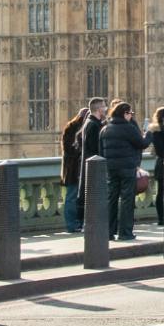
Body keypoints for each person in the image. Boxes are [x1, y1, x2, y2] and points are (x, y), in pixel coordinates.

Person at [99, 101, 148, 241]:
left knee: (111, 199)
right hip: (127, 168)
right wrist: (150, 134)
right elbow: (142, 144)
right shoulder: (128, 128)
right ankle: (125, 232)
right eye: (130, 113)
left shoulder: (105, 129)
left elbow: (100, 151)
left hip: (111, 169)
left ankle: (108, 232)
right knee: (127, 199)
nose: (131, 116)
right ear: (125, 113)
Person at [60, 105, 90, 235]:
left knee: (77, 198)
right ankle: (71, 225)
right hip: (73, 170)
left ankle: (77, 223)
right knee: (72, 197)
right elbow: (70, 150)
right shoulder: (72, 128)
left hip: (78, 169)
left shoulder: (72, 127)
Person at [78, 96, 109, 224]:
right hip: (94, 167)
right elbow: (95, 148)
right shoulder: (93, 125)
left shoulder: (90, 123)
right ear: (98, 109)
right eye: (104, 106)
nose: (106, 109)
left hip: (90, 166)